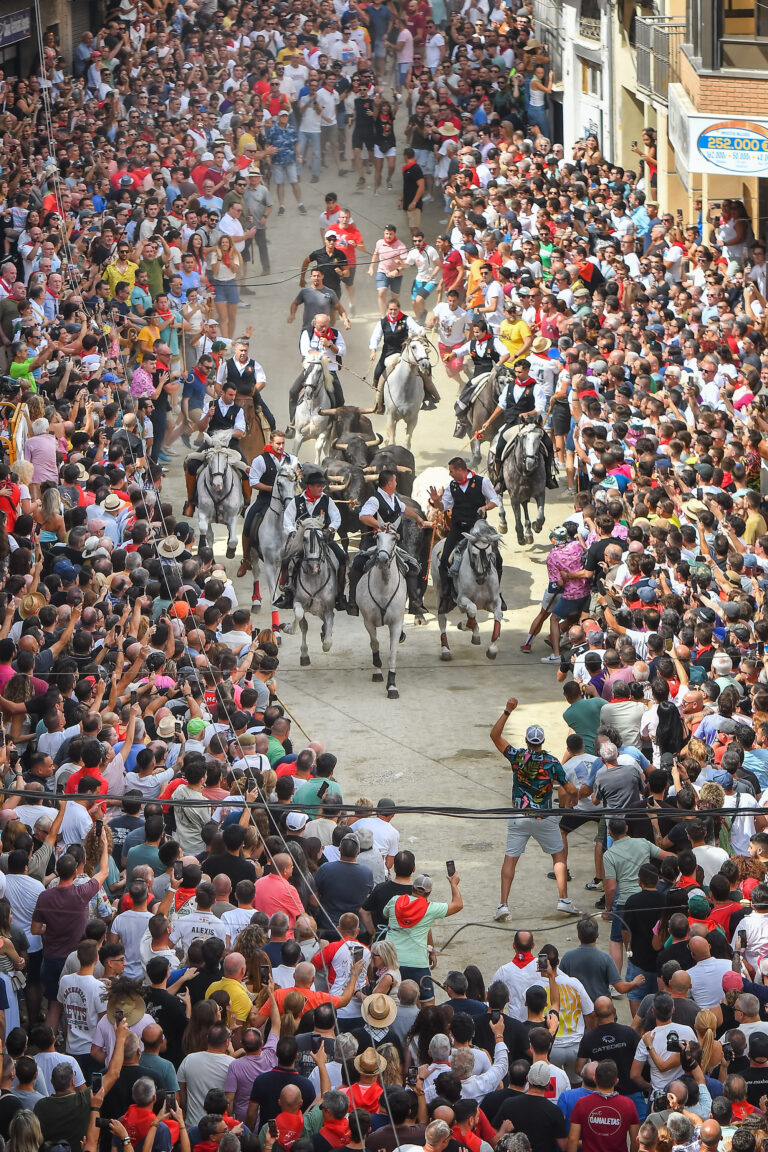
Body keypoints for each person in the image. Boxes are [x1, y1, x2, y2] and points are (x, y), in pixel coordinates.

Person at [490, 698, 579, 921]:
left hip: (519, 815)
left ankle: (503, 905)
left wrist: (507, 711)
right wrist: (571, 803)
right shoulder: (552, 761)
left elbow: (494, 736)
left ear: (527, 741)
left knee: (510, 860)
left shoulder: (517, 757)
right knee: (558, 856)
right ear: (542, 741)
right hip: (545, 816)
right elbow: (570, 788)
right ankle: (563, 899)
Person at [347, 469, 429, 618]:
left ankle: (414, 604)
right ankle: (352, 603)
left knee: (412, 565)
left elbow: (404, 510)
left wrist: (417, 518)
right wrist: (380, 525)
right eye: (395, 480)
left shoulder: (394, 499)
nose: (397, 483)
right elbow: (364, 516)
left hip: (394, 542)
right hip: (374, 541)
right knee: (357, 564)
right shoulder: (374, 500)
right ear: (390, 483)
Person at [428, 456, 501, 613]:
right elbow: (443, 506)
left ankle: (497, 594)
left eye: (451, 471)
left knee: (498, 558)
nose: (450, 474)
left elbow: (495, 500)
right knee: (443, 561)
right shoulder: (452, 486)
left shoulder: (482, 482)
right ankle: (447, 595)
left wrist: (485, 507)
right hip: (458, 528)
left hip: (478, 529)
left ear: (460, 470)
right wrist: (436, 501)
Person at [275, 467, 347, 611]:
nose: (321, 488)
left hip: (324, 539)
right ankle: (288, 592)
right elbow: (288, 520)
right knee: (286, 559)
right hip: (303, 540)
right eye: (318, 486)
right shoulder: (296, 501)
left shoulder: (327, 501)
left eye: (322, 486)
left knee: (342, 557)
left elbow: (336, 518)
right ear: (310, 487)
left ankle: (339, 594)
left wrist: (330, 530)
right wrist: (295, 534)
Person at [368, 298, 440, 413]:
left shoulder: (406, 319)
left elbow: (416, 328)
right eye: (391, 309)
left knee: (424, 370)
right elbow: (375, 337)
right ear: (387, 309)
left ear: (399, 309)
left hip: (404, 352)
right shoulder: (382, 322)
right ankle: (379, 403)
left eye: (395, 309)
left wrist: (421, 331)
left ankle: (430, 396)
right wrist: (373, 350)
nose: (393, 312)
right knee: (377, 373)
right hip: (387, 353)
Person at [289, 313, 346, 428]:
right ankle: (293, 422)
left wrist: (330, 345)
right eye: (321, 326)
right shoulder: (307, 333)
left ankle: (337, 425)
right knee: (293, 392)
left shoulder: (335, 334)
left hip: (329, 371)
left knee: (339, 398)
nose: (324, 329)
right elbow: (306, 351)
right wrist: (322, 356)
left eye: (326, 325)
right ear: (314, 324)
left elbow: (342, 351)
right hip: (311, 368)